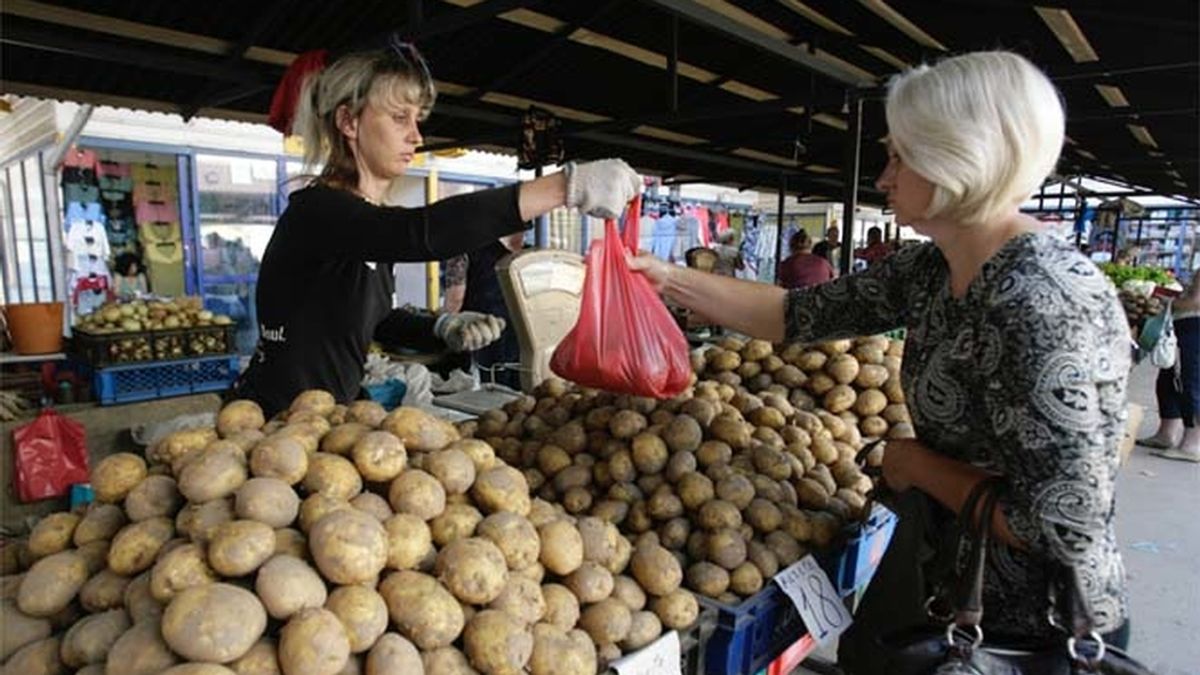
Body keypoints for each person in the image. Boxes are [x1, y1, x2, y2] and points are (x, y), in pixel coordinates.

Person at [629, 51, 1130, 668]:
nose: (884, 178)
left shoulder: (1045, 301)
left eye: (899, 156)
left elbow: (1061, 525)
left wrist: (917, 463)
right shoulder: (930, 270)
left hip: (1031, 634)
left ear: (957, 158)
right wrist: (665, 278)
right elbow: (793, 316)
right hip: (950, 593)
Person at [232, 43, 640, 418]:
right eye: (399, 118)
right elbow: (421, 232)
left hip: (334, 421)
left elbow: (373, 321)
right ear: (348, 121)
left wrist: (440, 328)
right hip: (275, 420)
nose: (416, 135)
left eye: (417, 119)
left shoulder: (367, 222)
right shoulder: (319, 211)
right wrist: (563, 186)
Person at [442, 232, 527, 389]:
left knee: (486, 396)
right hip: (521, 337)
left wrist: (442, 329)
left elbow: (454, 301)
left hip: (483, 334)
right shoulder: (529, 253)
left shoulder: (463, 248)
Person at [1140, 270, 1200, 462]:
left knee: (1188, 384)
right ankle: (1166, 434)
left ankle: (1192, 444)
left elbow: (1196, 301)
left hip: (1194, 328)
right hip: (1187, 326)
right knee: (1169, 381)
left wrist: (1168, 303)